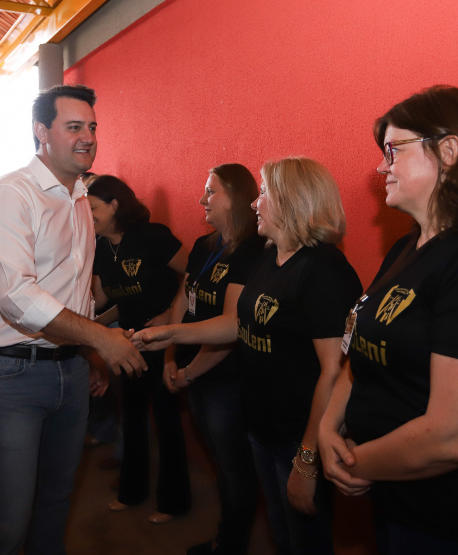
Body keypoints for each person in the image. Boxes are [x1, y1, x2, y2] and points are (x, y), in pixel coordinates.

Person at [316, 86, 458, 554]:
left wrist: (355, 462)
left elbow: (454, 437)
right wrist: (326, 428)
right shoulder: (408, 247)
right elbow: (360, 346)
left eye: (392, 150)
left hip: (445, 516)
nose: (382, 166)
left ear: (447, 151)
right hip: (393, 492)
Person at [134, 157, 362, 555]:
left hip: (297, 436)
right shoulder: (271, 257)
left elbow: (333, 373)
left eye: (266, 194)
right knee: (281, 530)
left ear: (293, 201)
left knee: (305, 540)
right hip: (262, 427)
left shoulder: (324, 269)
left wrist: (307, 460)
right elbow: (237, 325)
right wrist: (171, 333)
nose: (256, 204)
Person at [0, 84, 146, 555]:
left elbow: (77, 289)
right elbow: (18, 299)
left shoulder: (80, 198)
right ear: (41, 132)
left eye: (92, 127)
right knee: (8, 515)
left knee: (55, 502)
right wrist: (101, 339)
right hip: (10, 372)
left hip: (70, 368)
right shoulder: (11, 193)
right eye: (74, 127)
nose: (87, 136)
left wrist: (88, 354)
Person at [163, 164, 265, 554]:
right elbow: (181, 302)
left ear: (236, 197)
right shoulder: (204, 246)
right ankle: (226, 536)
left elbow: (230, 326)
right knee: (222, 463)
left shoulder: (253, 249)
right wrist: (171, 357)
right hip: (194, 373)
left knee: (235, 468)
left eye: (211, 192)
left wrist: (188, 371)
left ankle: (230, 544)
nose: (202, 199)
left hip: (225, 379)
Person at [87, 174, 192, 523]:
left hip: (163, 342)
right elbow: (108, 300)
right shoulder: (101, 248)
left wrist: (168, 314)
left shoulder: (152, 236)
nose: (89, 216)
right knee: (132, 418)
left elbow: (195, 274)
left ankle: (173, 503)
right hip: (127, 344)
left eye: (94, 209)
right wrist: (91, 326)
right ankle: (131, 494)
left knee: (166, 421)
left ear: (115, 205)